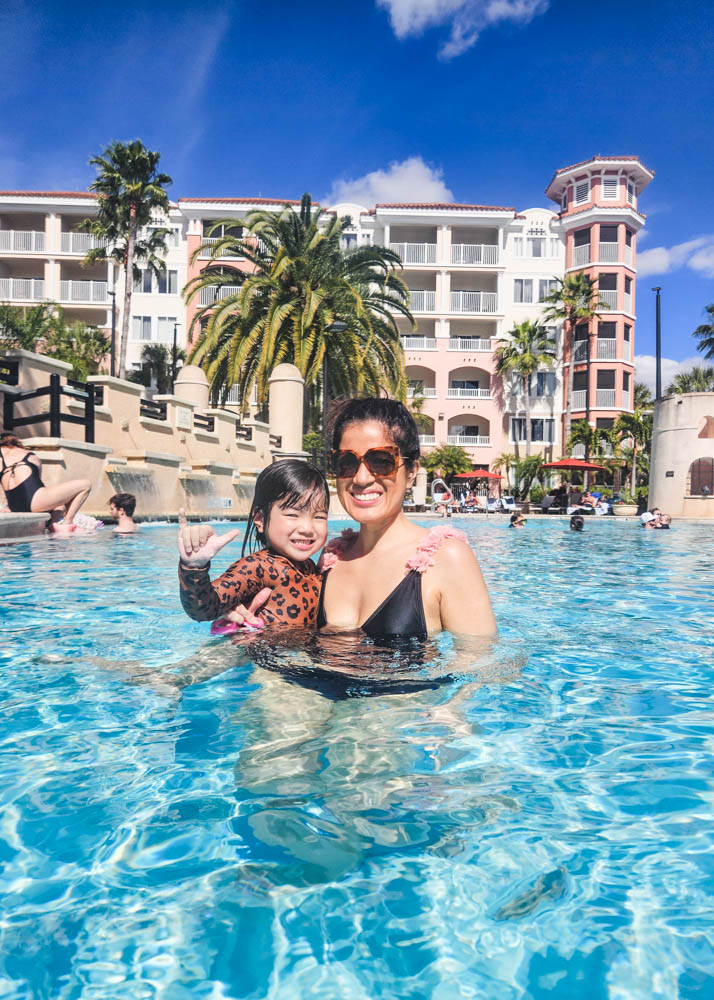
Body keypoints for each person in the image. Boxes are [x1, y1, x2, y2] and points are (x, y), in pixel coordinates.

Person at [317, 398, 496, 640]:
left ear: (411, 472)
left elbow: (481, 669)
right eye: (346, 462)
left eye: (380, 461)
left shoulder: (447, 558)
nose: (360, 478)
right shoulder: (332, 558)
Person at [178, 460, 329, 631]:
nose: (307, 529)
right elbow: (204, 609)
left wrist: (325, 569)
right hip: (256, 654)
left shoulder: (309, 568)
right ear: (260, 519)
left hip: (296, 654)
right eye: (293, 514)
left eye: (319, 517)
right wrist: (194, 566)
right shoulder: (258, 567)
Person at [0, 431, 91, 534]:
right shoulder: (28, 455)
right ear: (16, 442)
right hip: (34, 502)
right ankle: (66, 523)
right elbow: (35, 485)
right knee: (85, 485)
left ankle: (54, 525)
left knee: (59, 505)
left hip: (15, 506)